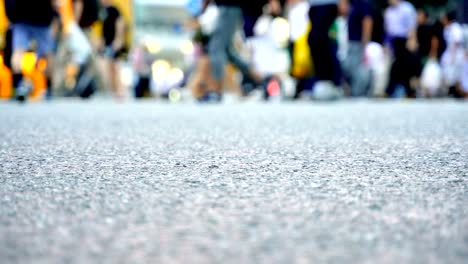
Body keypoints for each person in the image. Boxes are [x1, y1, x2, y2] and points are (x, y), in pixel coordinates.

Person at [203, 0, 278, 101]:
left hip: (230, 6)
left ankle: (215, 91)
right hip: (229, 7)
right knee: (228, 52)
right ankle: (264, 81)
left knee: (216, 48)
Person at [5, 0, 56, 102]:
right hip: (42, 18)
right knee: (48, 53)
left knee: (18, 52)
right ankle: (49, 88)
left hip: (21, 18)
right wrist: (54, 15)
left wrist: (10, 16)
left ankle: (18, 85)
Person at [384, 0, 417, 98]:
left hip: (405, 40)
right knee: (400, 66)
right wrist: (386, 44)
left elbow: (412, 25)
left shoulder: (407, 8)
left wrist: (412, 39)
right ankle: (409, 91)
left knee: (399, 65)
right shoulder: (388, 11)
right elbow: (388, 30)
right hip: (394, 41)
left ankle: (390, 90)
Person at [307, 0, 342, 93]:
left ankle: (330, 80)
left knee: (317, 38)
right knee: (317, 40)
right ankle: (324, 79)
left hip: (327, 4)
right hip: (314, 5)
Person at [342, 0, 373, 97]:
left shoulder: (363, 3)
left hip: (358, 41)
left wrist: (365, 39)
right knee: (349, 67)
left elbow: (367, 21)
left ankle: (358, 92)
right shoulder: (352, 3)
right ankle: (354, 91)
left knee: (357, 69)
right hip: (350, 41)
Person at [99, 0, 125, 99]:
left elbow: (120, 23)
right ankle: (114, 91)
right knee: (109, 68)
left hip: (115, 43)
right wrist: (102, 41)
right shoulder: (104, 11)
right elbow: (104, 28)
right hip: (108, 43)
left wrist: (119, 39)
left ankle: (120, 91)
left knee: (116, 67)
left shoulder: (114, 9)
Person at [441, 10, 465, 98]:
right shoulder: (447, 28)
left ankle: (458, 92)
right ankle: (453, 91)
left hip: (456, 54)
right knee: (449, 74)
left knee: (456, 74)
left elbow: (457, 42)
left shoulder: (456, 28)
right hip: (450, 54)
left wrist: (453, 56)